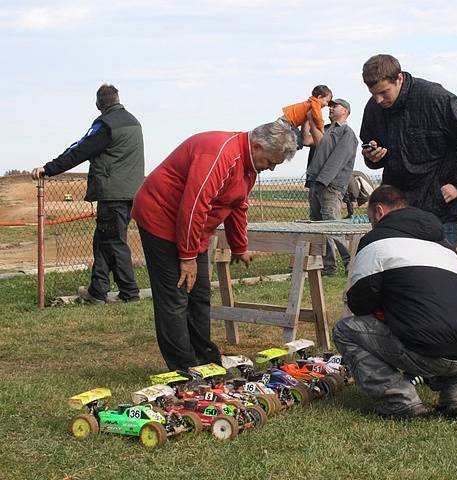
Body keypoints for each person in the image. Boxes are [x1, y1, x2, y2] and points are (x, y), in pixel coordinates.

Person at [131, 121, 297, 371]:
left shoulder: (249, 166)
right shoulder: (221, 155)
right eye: (271, 161)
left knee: (199, 294)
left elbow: (238, 205)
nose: (272, 168)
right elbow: (194, 205)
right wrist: (187, 257)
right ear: (258, 145)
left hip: (191, 228)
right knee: (175, 295)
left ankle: (205, 361)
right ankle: (183, 369)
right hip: (162, 216)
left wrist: (239, 246)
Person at [333, 185, 457, 420]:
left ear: (379, 211)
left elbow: (359, 303)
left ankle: (400, 399)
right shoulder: (445, 246)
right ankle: (456, 393)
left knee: (345, 330)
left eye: (370, 218)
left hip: (426, 352)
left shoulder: (375, 241)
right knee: (450, 325)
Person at [359, 54, 457, 246]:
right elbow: (373, 148)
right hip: (397, 212)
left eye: (384, 92)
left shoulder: (436, 99)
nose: (378, 99)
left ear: (399, 78)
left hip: (438, 210)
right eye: (373, 93)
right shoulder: (374, 108)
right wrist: (373, 157)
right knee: (399, 272)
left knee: (439, 272)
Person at [31, 84, 144, 305]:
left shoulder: (106, 125)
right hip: (131, 193)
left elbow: (80, 150)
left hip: (112, 194)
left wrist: (49, 168)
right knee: (103, 241)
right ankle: (98, 292)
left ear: (98, 104)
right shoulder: (133, 122)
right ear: (118, 99)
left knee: (114, 242)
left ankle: (130, 293)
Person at [304, 98, 358, 276]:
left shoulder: (347, 134)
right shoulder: (325, 129)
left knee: (332, 227)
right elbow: (306, 140)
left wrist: (323, 181)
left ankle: (351, 263)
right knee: (319, 228)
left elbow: (338, 160)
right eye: (331, 105)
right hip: (315, 183)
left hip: (330, 186)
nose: (331, 108)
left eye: (336, 106)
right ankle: (329, 268)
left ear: (346, 111)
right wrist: (308, 119)